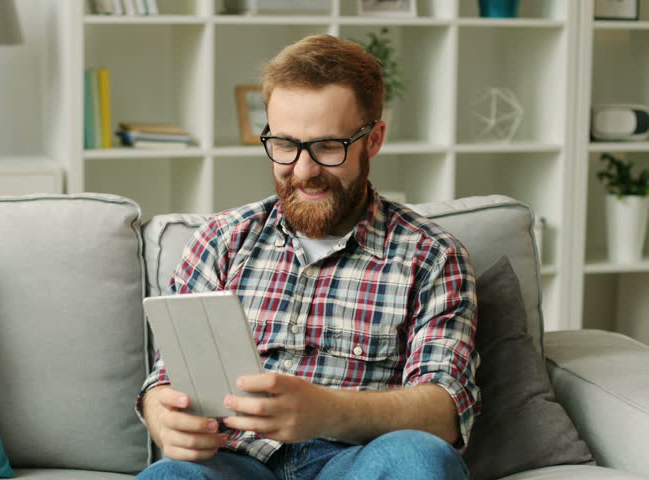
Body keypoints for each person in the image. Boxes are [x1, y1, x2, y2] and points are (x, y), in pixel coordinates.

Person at [135, 34, 480, 480]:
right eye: (284, 144)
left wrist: (328, 412)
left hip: (356, 462)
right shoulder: (220, 241)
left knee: (419, 459)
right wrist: (163, 415)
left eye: (327, 147)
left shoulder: (433, 257)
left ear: (372, 140)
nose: (303, 170)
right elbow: (165, 381)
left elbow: (446, 410)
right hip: (234, 463)